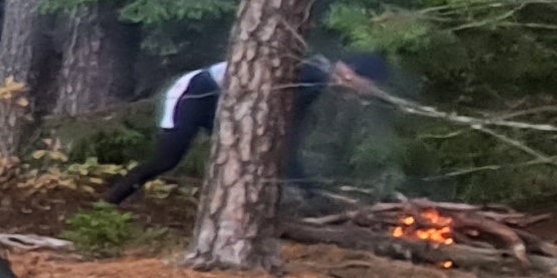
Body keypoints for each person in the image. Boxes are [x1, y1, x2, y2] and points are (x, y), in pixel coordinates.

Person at [99, 53, 387, 204]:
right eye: (367, 85)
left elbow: (286, 137)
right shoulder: (311, 78)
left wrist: (307, 187)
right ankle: (109, 202)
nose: (364, 92)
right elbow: (285, 135)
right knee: (166, 159)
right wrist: (309, 189)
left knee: (244, 154)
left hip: (226, 103)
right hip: (196, 92)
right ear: (350, 73)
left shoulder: (316, 80)